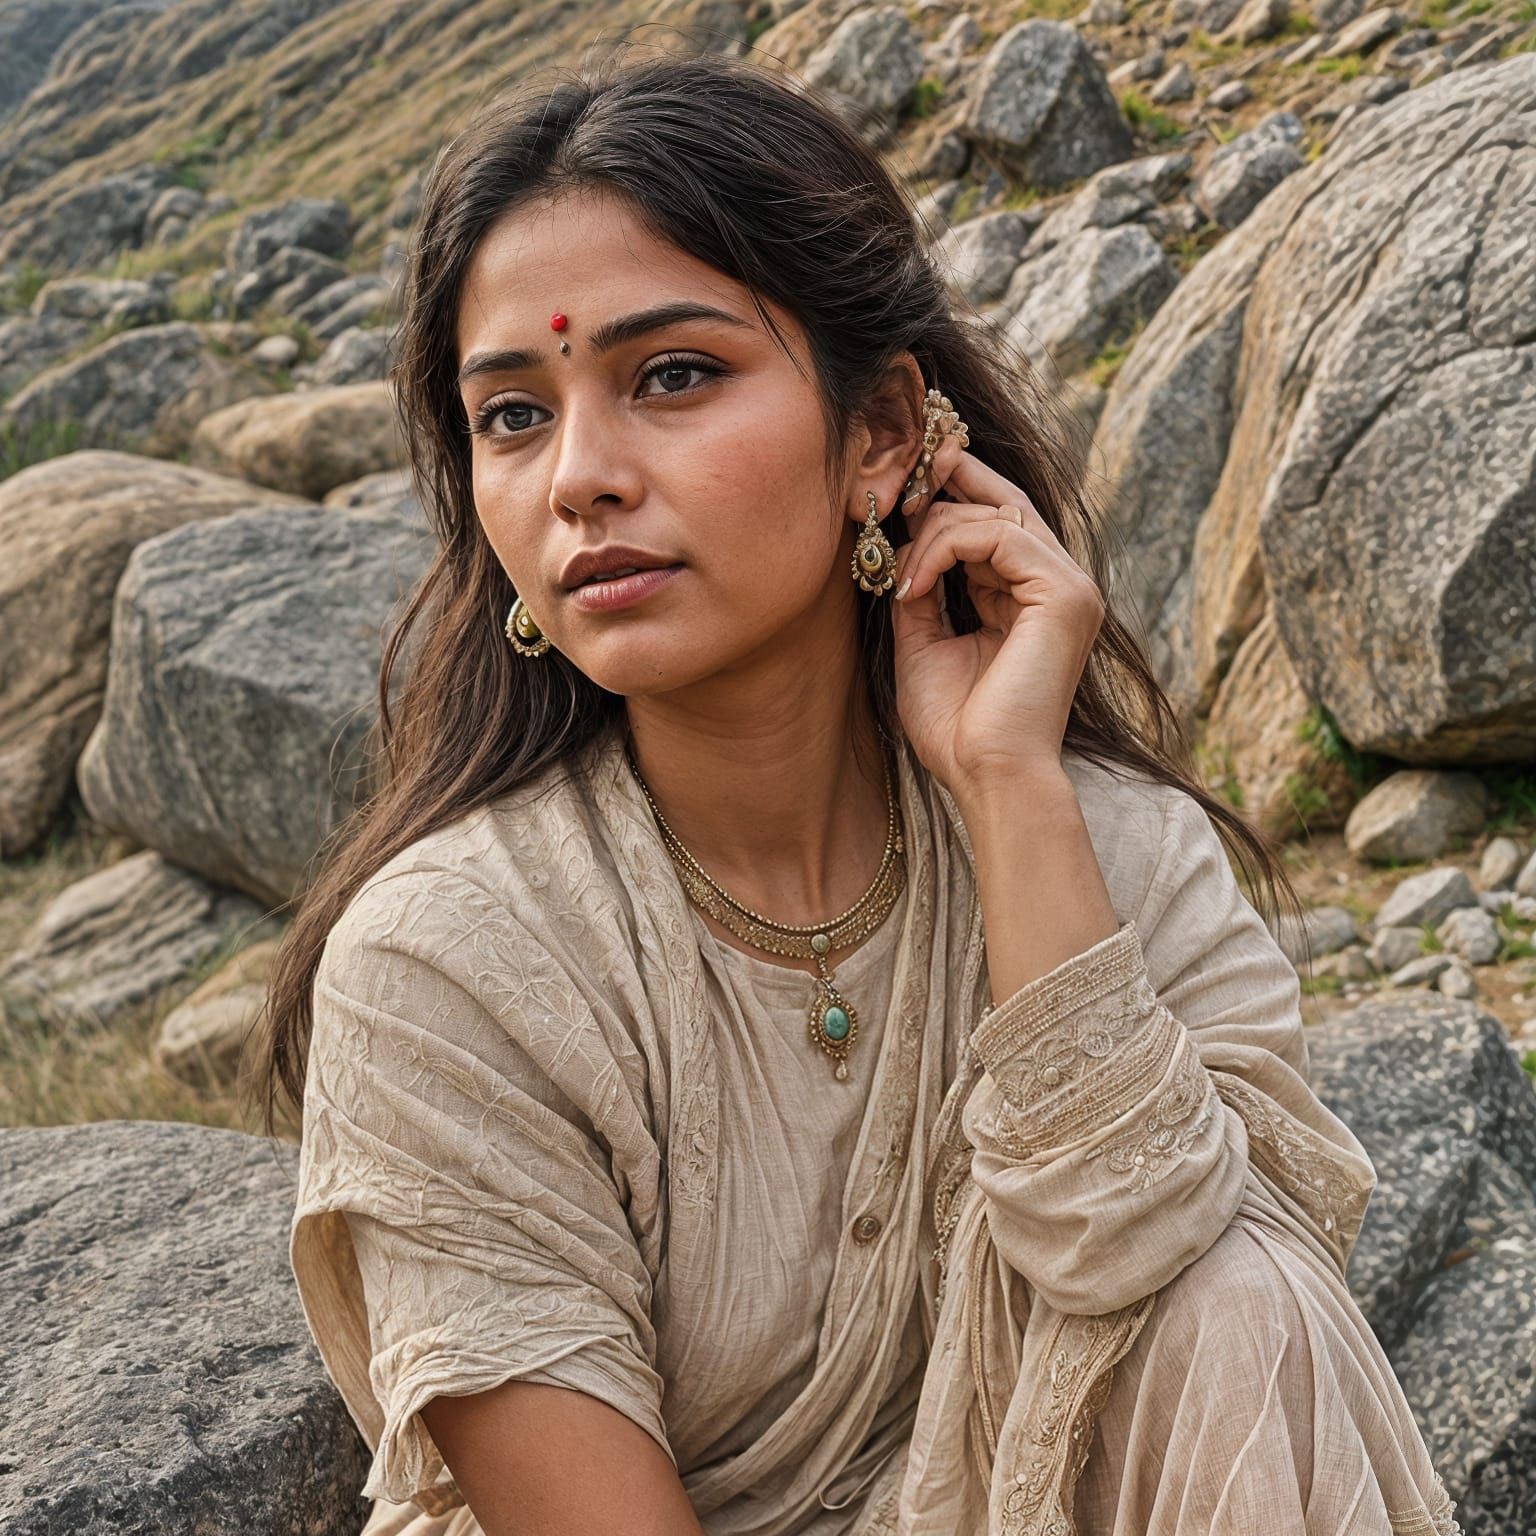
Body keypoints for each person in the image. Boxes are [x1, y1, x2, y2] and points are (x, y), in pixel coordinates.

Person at [258, 43, 1462, 1536]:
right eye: (513, 414)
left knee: (1238, 1298)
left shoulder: (1119, 851)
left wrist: (1012, 782)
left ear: (883, 431)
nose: (579, 476)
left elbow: (1162, 1277)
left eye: (673, 375)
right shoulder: (454, 966)